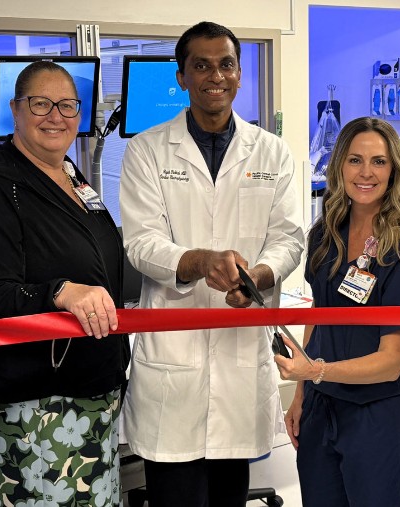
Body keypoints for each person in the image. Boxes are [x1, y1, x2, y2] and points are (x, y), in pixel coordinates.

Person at [119, 21, 304, 506]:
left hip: (239, 353)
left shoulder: (271, 152)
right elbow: (140, 243)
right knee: (175, 495)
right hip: (173, 358)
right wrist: (201, 261)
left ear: (239, 74)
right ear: (182, 77)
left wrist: (256, 277)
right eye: (201, 65)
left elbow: (288, 238)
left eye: (226, 64)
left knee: (228, 495)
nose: (215, 76)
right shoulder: (147, 150)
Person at [0, 61, 129, 506]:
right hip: (40, 406)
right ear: (15, 110)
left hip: (94, 391)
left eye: (67, 105)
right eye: (41, 104)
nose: (56, 116)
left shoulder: (69, 173)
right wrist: (59, 291)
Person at [274, 117, 400, 506]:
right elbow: (319, 314)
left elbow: (391, 363)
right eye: (354, 160)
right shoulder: (325, 234)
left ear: (394, 170)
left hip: (377, 417)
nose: (366, 173)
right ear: (339, 167)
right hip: (320, 406)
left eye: (379, 161)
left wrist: (314, 371)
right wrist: (301, 394)